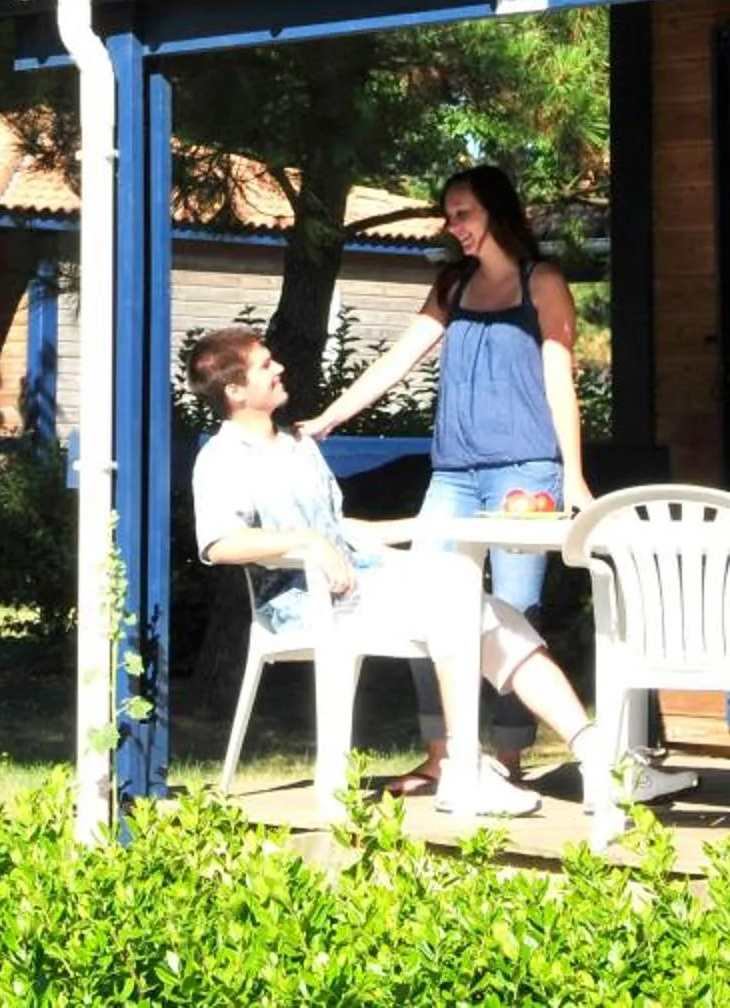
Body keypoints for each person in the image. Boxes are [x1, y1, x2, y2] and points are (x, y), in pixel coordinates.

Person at [300, 163, 688, 807]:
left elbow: (561, 376)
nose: (453, 228)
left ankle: (508, 757)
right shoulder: (452, 285)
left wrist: (573, 475)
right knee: (429, 609)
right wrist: (331, 417)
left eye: (463, 215)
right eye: (449, 217)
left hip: (525, 475)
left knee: (513, 611)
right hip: (453, 475)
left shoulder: (544, 281)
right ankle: (446, 756)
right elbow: (399, 358)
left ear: (497, 213)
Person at [188, 324, 614, 821]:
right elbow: (221, 544)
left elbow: (337, 529)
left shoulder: (297, 444)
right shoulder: (220, 459)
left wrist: (424, 524)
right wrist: (307, 543)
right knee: (458, 588)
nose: (279, 367)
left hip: (361, 584)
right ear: (235, 391)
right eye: (265, 365)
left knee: (495, 614)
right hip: (305, 603)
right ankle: (461, 769)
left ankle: (594, 753)